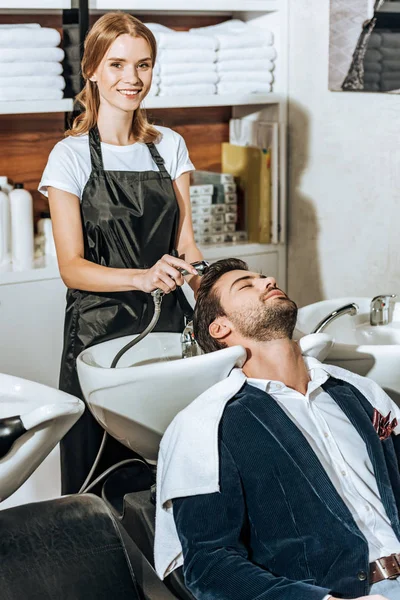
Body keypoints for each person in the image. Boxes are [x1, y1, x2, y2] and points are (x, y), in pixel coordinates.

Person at [155, 258, 400, 600]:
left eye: (262, 276)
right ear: (219, 328)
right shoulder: (206, 428)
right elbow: (210, 566)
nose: (268, 280)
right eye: (246, 285)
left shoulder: (358, 394)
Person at [38, 12, 203, 495]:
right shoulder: (68, 156)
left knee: (170, 461)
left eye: (143, 65)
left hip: (169, 323)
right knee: (100, 470)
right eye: (116, 65)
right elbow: (72, 268)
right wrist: (141, 277)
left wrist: (220, 296)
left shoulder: (169, 146)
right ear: (91, 69)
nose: (131, 79)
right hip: (97, 328)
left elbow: (187, 245)